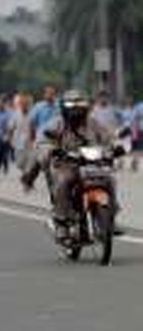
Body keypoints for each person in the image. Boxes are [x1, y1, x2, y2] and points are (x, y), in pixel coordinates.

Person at [40, 90, 114, 240]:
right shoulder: (58, 123)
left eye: (79, 107)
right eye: (72, 107)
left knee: (110, 180)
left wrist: (115, 147)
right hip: (67, 165)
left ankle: (110, 217)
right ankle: (62, 223)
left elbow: (108, 137)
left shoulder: (93, 122)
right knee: (62, 182)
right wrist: (52, 149)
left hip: (92, 165)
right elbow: (44, 141)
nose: (76, 111)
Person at [21, 85, 60, 191]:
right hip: (42, 140)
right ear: (44, 94)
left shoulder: (59, 106)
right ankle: (28, 179)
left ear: (55, 95)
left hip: (57, 140)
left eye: (52, 93)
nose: (50, 95)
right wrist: (31, 138)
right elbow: (31, 124)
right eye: (47, 93)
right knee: (39, 161)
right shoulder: (38, 107)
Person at [8, 93, 33, 175]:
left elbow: (35, 127)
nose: (25, 106)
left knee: (29, 160)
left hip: (29, 142)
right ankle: (24, 171)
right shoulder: (16, 114)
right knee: (19, 162)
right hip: (18, 141)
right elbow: (11, 127)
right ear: (20, 105)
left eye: (26, 104)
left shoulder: (32, 114)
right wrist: (9, 138)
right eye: (23, 104)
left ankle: (26, 175)